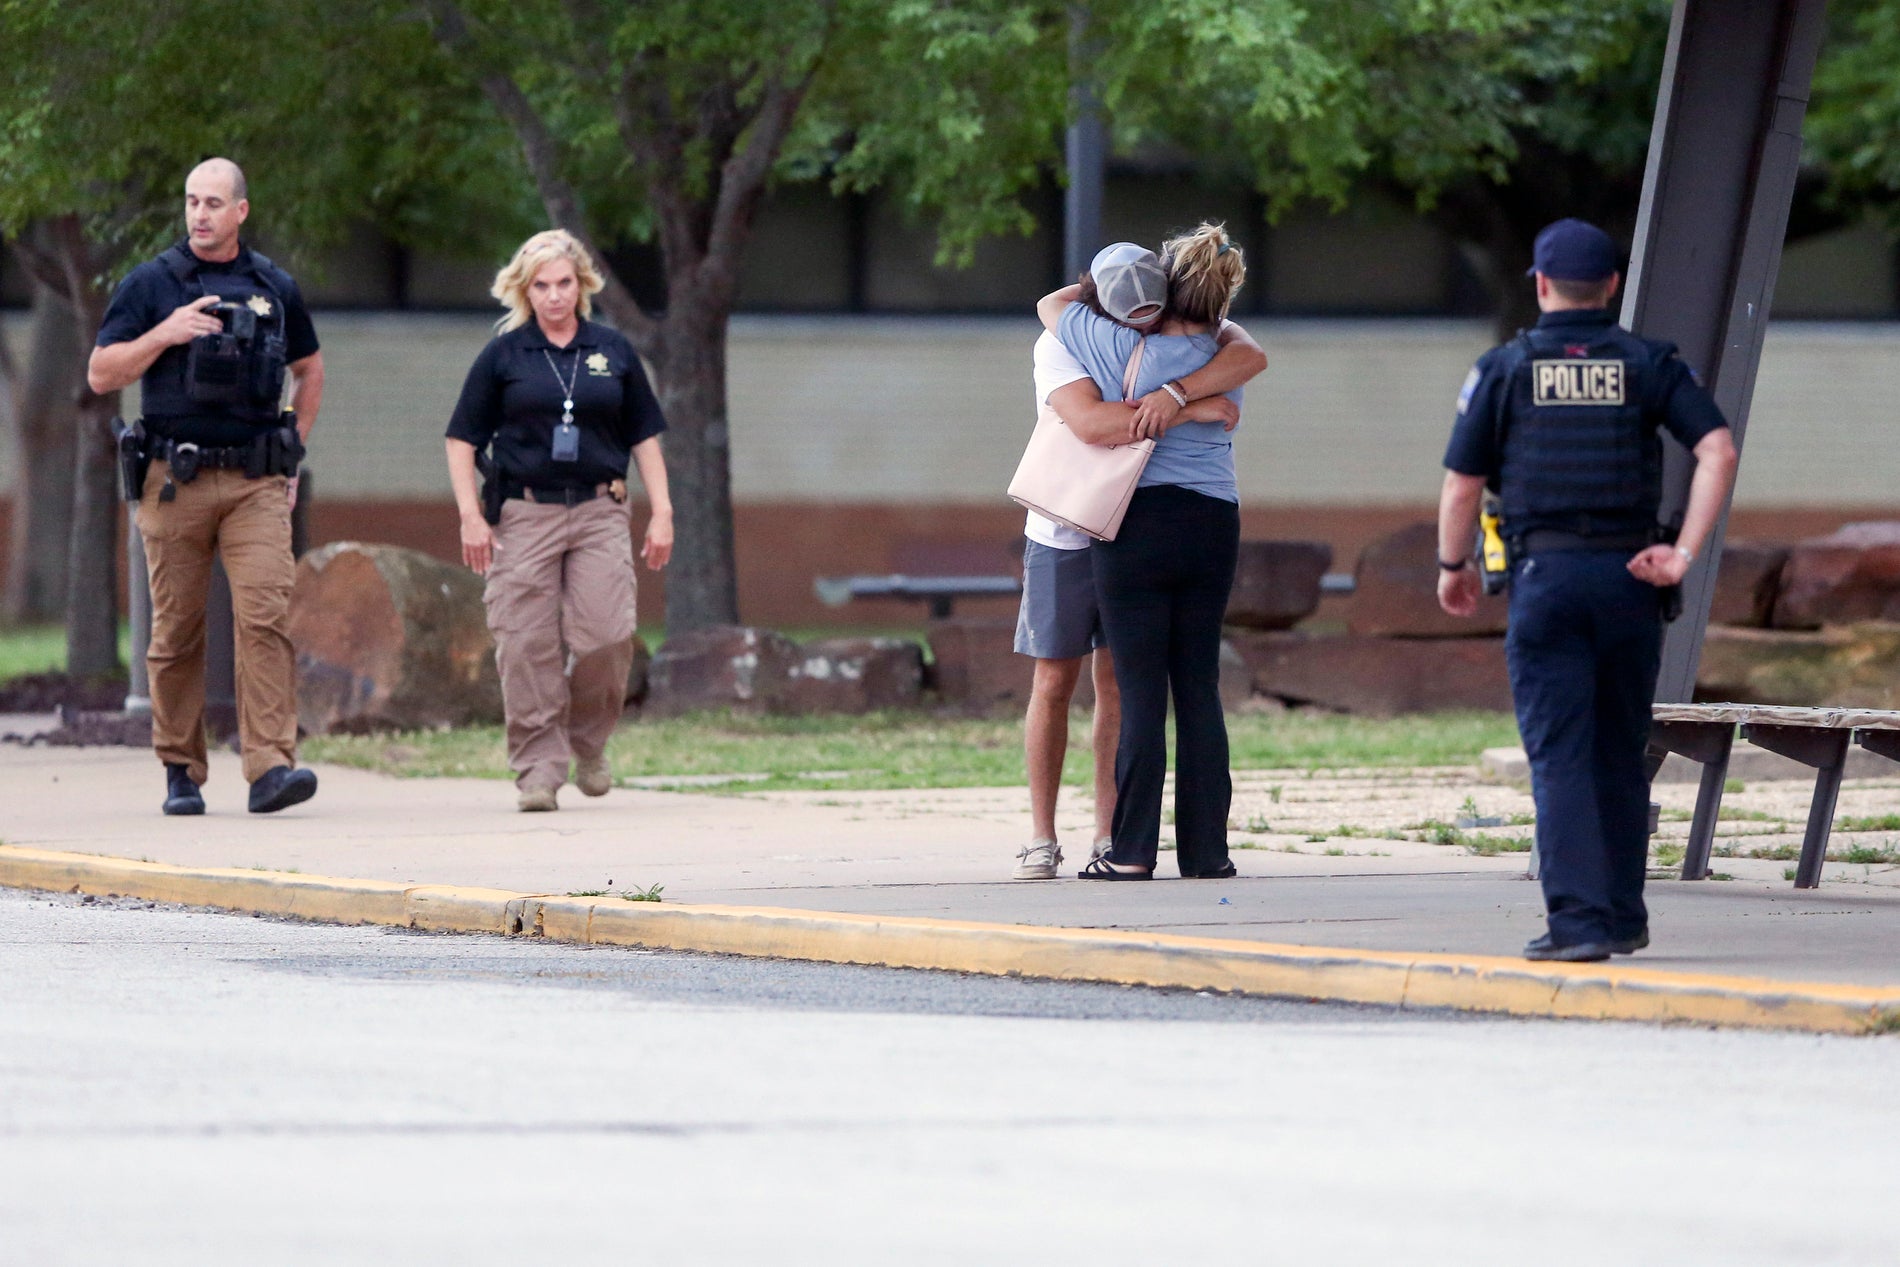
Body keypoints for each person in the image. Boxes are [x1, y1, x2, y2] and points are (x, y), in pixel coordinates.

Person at [1436, 217, 1736, 962]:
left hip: (1546, 580)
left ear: (1541, 284)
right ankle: (1623, 915)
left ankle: (1577, 921)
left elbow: (1463, 484)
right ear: (1611, 286)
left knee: (1561, 753)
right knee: (1619, 750)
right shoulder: (1649, 361)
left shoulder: (1505, 367)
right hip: (1632, 580)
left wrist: (1453, 566)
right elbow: (1718, 449)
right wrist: (1683, 553)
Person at [1012, 244, 1264, 879]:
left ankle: (1117, 840)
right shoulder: (1074, 342)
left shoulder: (1149, 333)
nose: (1144, 316)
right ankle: (1048, 835)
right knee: (1064, 681)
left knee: (1128, 688)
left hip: (1135, 527)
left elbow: (1246, 351)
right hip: (1073, 524)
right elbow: (1092, 424)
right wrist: (1188, 403)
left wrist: (1172, 395)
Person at [88, 158, 324, 816]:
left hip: (256, 480)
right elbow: (102, 372)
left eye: (214, 203)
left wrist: (292, 449)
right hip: (175, 480)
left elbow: (309, 369)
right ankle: (180, 769)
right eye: (192, 201)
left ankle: (270, 768)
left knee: (266, 617)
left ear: (240, 211)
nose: (199, 214)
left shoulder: (273, 285)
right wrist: (165, 333)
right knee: (176, 630)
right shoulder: (151, 283)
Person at [445, 230, 672, 812]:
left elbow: (644, 434)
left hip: (600, 509)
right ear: (526, 290)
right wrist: (471, 516)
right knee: (526, 644)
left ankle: (587, 744)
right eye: (542, 285)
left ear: (582, 285)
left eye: (564, 283)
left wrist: (663, 511)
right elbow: (462, 439)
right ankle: (539, 771)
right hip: (524, 512)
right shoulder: (504, 355)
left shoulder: (613, 351)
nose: (554, 295)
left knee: (608, 635)